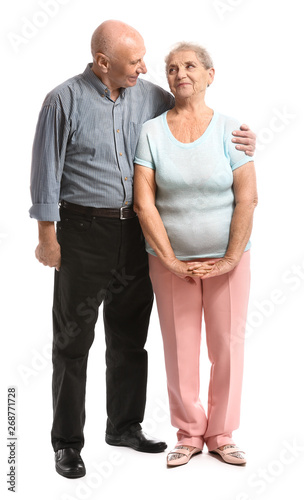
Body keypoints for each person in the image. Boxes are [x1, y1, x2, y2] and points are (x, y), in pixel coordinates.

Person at [29, 21, 256, 478]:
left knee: (130, 336)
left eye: (146, 60)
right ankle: (67, 443)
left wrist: (247, 141)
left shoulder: (150, 95)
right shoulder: (62, 100)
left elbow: (195, 118)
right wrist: (47, 237)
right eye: (136, 62)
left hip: (136, 234)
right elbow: (44, 171)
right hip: (83, 231)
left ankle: (125, 426)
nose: (147, 68)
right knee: (73, 342)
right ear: (102, 62)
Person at [133, 42, 258, 468]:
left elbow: (247, 199)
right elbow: (144, 202)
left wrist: (228, 259)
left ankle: (221, 434)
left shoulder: (232, 129)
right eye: (171, 68)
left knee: (226, 347)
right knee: (180, 347)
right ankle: (188, 434)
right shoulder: (151, 132)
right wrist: (168, 259)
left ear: (210, 74)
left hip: (229, 261)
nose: (179, 73)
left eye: (189, 65)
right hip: (169, 262)